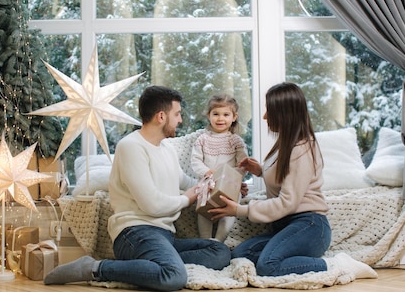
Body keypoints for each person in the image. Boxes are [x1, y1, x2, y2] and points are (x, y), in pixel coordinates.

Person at [44, 85, 231, 291]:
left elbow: (185, 181)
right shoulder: (131, 147)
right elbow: (152, 206)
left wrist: (216, 188)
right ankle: (95, 268)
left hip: (164, 234)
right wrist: (188, 198)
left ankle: (155, 265)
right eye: (177, 114)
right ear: (161, 116)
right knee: (174, 277)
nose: (180, 120)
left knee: (220, 251)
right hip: (135, 233)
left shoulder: (166, 148)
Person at [209, 82, 377, 280]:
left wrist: (239, 210)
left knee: (268, 266)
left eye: (269, 111)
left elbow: (287, 202)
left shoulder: (302, 148)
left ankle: (337, 264)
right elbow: (290, 179)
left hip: (309, 225)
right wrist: (261, 171)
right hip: (285, 225)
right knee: (240, 255)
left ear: (284, 114)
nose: (264, 116)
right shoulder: (285, 143)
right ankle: (293, 256)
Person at [191, 94, 248, 241]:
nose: (220, 118)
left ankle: (219, 241)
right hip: (208, 183)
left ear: (234, 117)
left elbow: (243, 165)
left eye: (226, 114)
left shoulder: (236, 141)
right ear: (209, 116)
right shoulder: (202, 139)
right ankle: (205, 240)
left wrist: (230, 176)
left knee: (229, 209)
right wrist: (206, 171)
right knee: (203, 209)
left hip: (229, 184)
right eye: (216, 114)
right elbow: (196, 161)